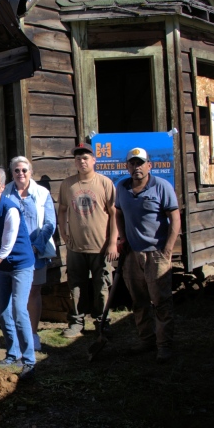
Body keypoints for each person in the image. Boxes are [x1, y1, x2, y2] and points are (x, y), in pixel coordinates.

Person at [115, 147, 180, 363]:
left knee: (161, 301)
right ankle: (147, 340)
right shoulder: (122, 187)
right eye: (132, 163)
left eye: (140, 163)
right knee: (139, 300)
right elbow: (118, 214)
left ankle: (165, 346)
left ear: (149, 165)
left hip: (156, 253)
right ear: (127, 167)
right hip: (133, 254)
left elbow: (175, 219)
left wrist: (168, 249)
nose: (136, 167)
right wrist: (122, 237)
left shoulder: (161, 187)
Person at [0, 166, 36, 379]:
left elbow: (6, 247)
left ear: (2, 187)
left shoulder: (10, 209)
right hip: (1, 267)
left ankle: (29, 360)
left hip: (20, 264)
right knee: (3, 312)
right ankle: (13, 353)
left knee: (19, 310)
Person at [58, 143, 119, 338]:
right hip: (76, 247)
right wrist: (64, 234)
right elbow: (62, 210)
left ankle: (102, 322)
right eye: (78, 159)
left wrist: (112, 242)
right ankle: (76, 322)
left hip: (101, 246)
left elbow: (114, 213)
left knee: (102, 286)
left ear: (94, 160)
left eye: (85, 158)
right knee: (76, 285)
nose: (82, 161)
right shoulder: (68, 184)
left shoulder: (104, 183)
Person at [3, 156, 56, 352]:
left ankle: (32, 334)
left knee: (33, 292)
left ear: (30, 172)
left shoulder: (42, 193)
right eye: (16, 170)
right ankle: (16, 337)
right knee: (13, 294)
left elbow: (50, 223)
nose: (20, 174)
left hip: (35, 252)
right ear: (12, 173)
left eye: (24, 170)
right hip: (12, 253)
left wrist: (36, 246)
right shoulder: (6, 192)